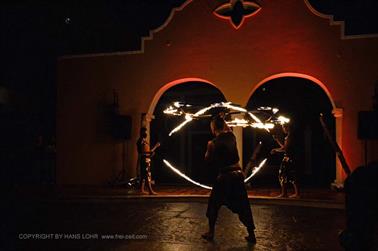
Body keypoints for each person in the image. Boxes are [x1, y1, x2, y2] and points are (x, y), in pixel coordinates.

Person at [202, 116, 256, 243]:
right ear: (224, 126)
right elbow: (228, 128)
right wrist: (222, 118)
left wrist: (209, 149)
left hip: (225, 177)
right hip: (238, 175)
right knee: (243, 205)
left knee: (213, 204)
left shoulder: (212, 143)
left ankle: (211, 233)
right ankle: (252, 234)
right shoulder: (232, 136)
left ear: (213, 128)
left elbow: (207, 160)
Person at [271, 123, 300, 198]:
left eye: (284, 127)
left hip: (288, 159)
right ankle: (295, 193)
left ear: (288, 127)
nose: (283, 129)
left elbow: (285, 149)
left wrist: (275, 150)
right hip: (290, 158)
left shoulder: (290, 137)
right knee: (290, 175)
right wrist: (277, 140)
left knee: (283, 175)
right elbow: (285, 147)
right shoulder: (289, 137)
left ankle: (285, 193)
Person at [136, 127, 159, 195]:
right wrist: (150, 153)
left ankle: (141, 190)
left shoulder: (144, 141)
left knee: (143, 176)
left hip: (146, 159)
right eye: (144, 132)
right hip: (143, 160)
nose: (146, 133)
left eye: (146, 132)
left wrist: (155, 147)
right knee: (146, 175)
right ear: (141, 132)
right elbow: (141, 152)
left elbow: (148, 151)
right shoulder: (140, 141)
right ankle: (150, 191)